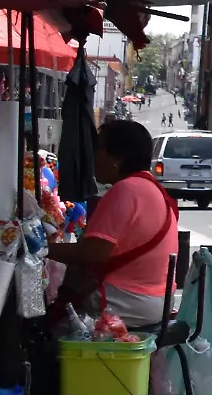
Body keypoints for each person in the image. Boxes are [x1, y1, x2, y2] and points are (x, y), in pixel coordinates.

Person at [47, 120, 179, 329]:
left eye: (99, 148)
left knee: (55, 329)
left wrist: (42, 249)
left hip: (126, 302)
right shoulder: (154, 189)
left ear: (118, 157)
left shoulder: (126, 190)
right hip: (159, 301)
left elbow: (92, 253)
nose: (95, 157)